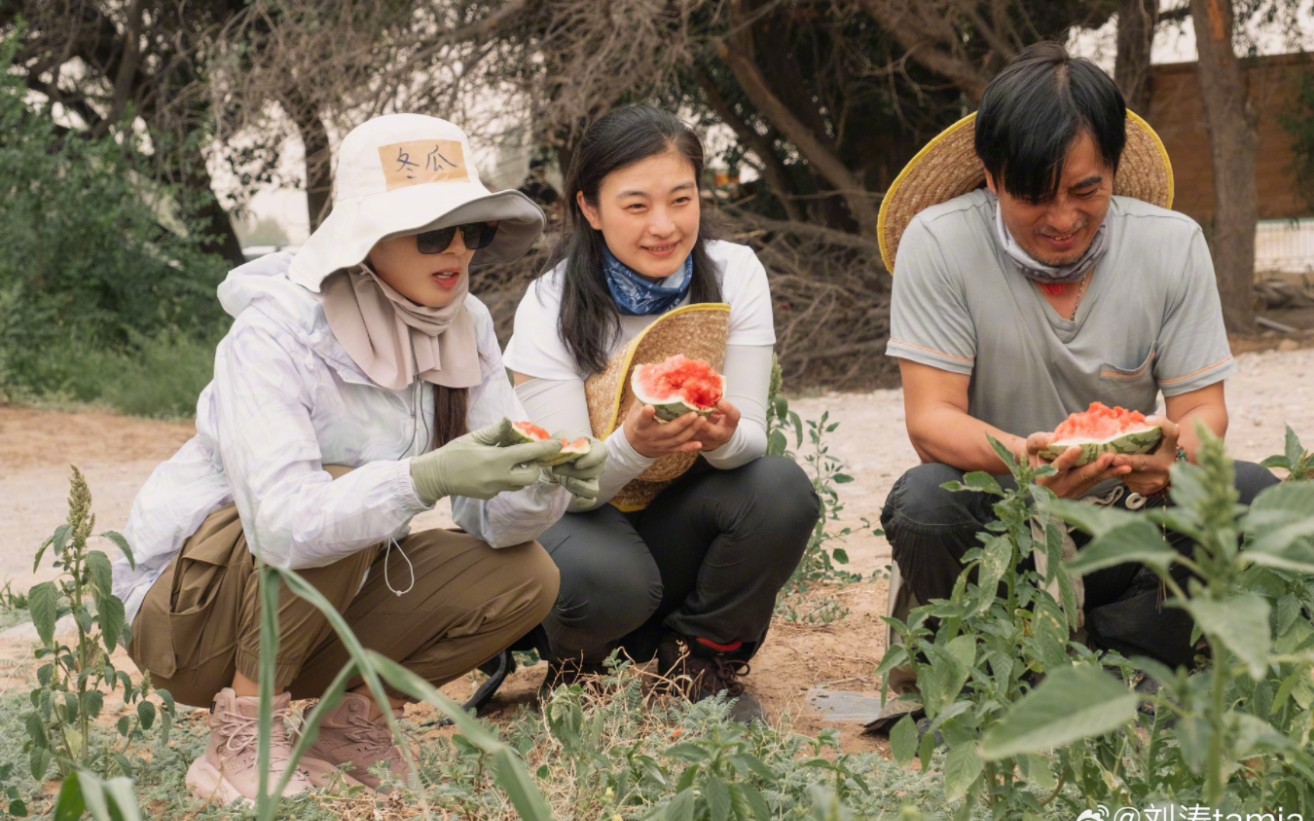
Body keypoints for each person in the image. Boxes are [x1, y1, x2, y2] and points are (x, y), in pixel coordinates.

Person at [111, 113, 606, 805]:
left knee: (526, 575)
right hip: (187, 619)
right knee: (342, 497)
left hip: (315, 604)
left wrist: (546, 479)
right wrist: (424, 476)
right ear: (362, 237)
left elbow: (496, 524)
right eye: (435, 232)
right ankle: (240, 738)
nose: (460, 250)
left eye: (475, 230)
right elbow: (283, 524)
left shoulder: (465, 325)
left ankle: (347, 729)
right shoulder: (274, 331)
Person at [876, 42, 1278, 675]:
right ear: (991, 176)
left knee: (1252, 492)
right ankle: (991, 667)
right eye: (1033, 195)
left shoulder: (1173, 246)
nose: (1063, 219)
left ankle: (1141, 663)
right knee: (925, 502)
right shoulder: (940, 243)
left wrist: (1173, 460)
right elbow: (932, 419)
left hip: (1132, 514)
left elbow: (1202, 408)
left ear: (1113, 170)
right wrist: (1025, 461)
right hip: (1004, 518)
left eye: (1086, 190)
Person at [502, 105, 820, 723]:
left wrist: (723, 438)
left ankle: (695, 661)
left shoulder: (735, 273)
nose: (665, 226)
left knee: (781, 490)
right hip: (581, 519)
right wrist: (631, 445)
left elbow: (749, 433)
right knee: (610, 579)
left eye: (681, 199)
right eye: (636, 205)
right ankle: (578, 663)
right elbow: (567, 482)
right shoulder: (549, 304)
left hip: (677, 518)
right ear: (589, 209)